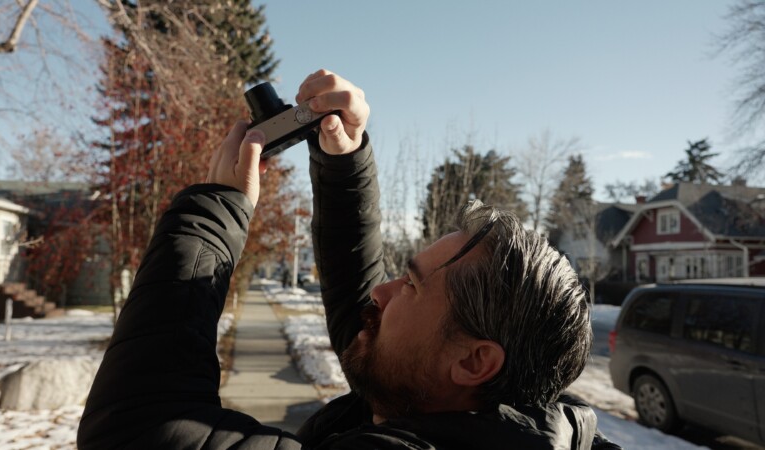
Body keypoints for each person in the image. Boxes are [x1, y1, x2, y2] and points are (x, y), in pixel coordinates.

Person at [78, 70, 620, 449]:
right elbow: (368, 323)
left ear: (476, 362)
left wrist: (215, 210)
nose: (380, 293)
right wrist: (344, 162)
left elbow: (135, 427)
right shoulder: (457, 410)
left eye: (409, 285)